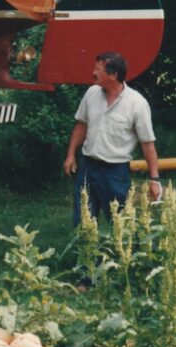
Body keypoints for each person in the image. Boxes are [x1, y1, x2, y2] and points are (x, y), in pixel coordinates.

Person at [62, 51, 161, 225]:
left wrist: (154, 180)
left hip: (115, 173)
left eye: (98, 70)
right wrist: (71, 154)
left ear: (114, 75)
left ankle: (135, 251)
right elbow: (81, 125)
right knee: (82, 222)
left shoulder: (137, 104)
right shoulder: (91, 93)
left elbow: (147, 144)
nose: (93, 73)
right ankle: (85, 252)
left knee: (122, 224)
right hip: (88, 167)